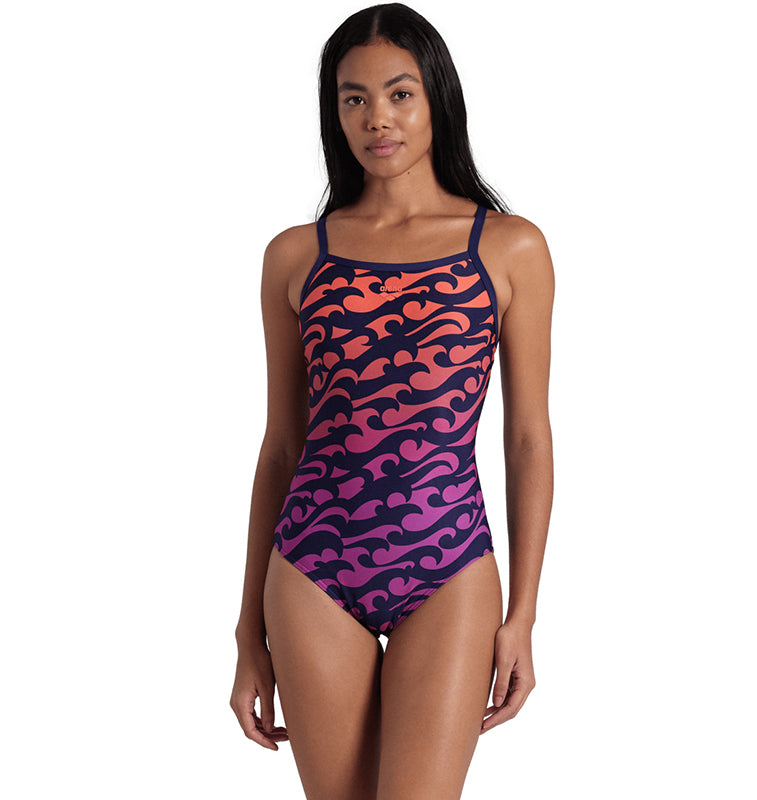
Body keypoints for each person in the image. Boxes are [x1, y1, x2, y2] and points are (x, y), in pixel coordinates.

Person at [230, 3, 554, 798]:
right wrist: (246, 633)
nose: (377, 117)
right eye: (354, 98)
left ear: (437, 97)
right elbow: (282, 446)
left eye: (400, 94)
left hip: (449, 564)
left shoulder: (509, 247)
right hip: (311, 565)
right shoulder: (296, 257)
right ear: (334, 111)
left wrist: (524, 615)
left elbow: (527, 439)